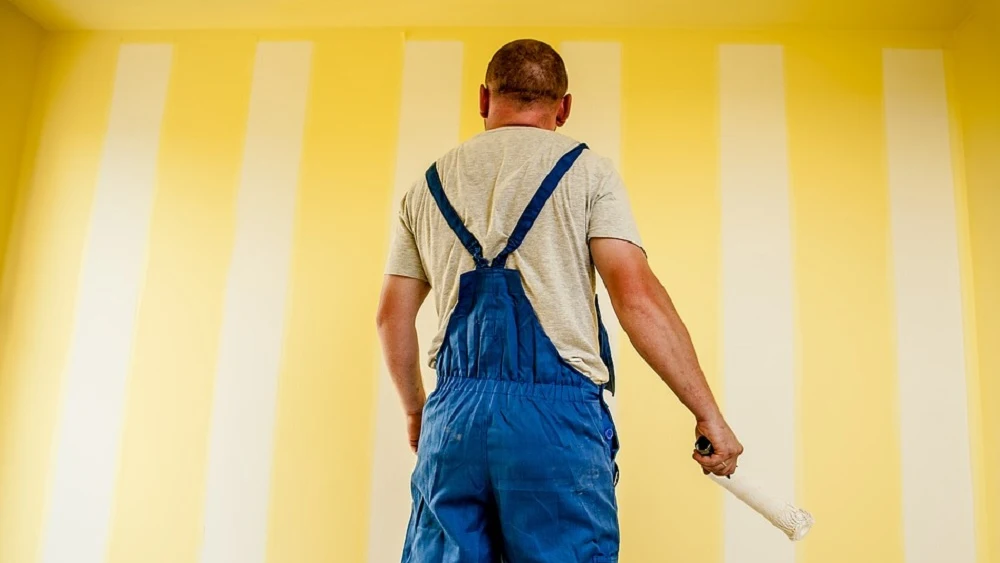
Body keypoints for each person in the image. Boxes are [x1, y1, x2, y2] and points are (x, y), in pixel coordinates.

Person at [376, 38, 743, 563]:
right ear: (563, 107)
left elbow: (392, 316)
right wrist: (708, 413)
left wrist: (418, 410)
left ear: (484, 98)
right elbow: (635, 296)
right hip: (554, 422)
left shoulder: (427, 186)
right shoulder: (588, 173)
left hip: (451, 421)